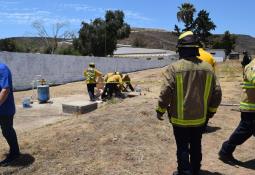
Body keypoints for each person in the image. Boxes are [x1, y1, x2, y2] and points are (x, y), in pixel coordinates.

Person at [156, 31, 222, 175]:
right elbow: (217, 92)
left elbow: (165, 92)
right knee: (196, 145)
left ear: (181, 49)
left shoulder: (174, 68)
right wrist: (211, 111)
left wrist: (160, 110)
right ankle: (195, 170)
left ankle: (185, 172)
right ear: (196, 49)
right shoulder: (208, 68)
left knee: (182, 147)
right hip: (200, 118)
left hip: (180, 120)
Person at [219, 58, 255, 164]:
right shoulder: (252, 66)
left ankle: (226, 151)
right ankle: (225, 151)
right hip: (250, 108)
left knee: (246, 131)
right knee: (243, 132)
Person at [0, 63, 20, 166]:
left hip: (5, 109)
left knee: (7, 131)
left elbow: (5, 89)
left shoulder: (2, 69)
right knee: (6, 131)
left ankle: (15, 153)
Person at [197, 48, 216, 133]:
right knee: (206, 103)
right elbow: (213, 73)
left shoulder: (189, 54)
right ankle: (203, 125)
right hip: (206, 82)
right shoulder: (209, 56)